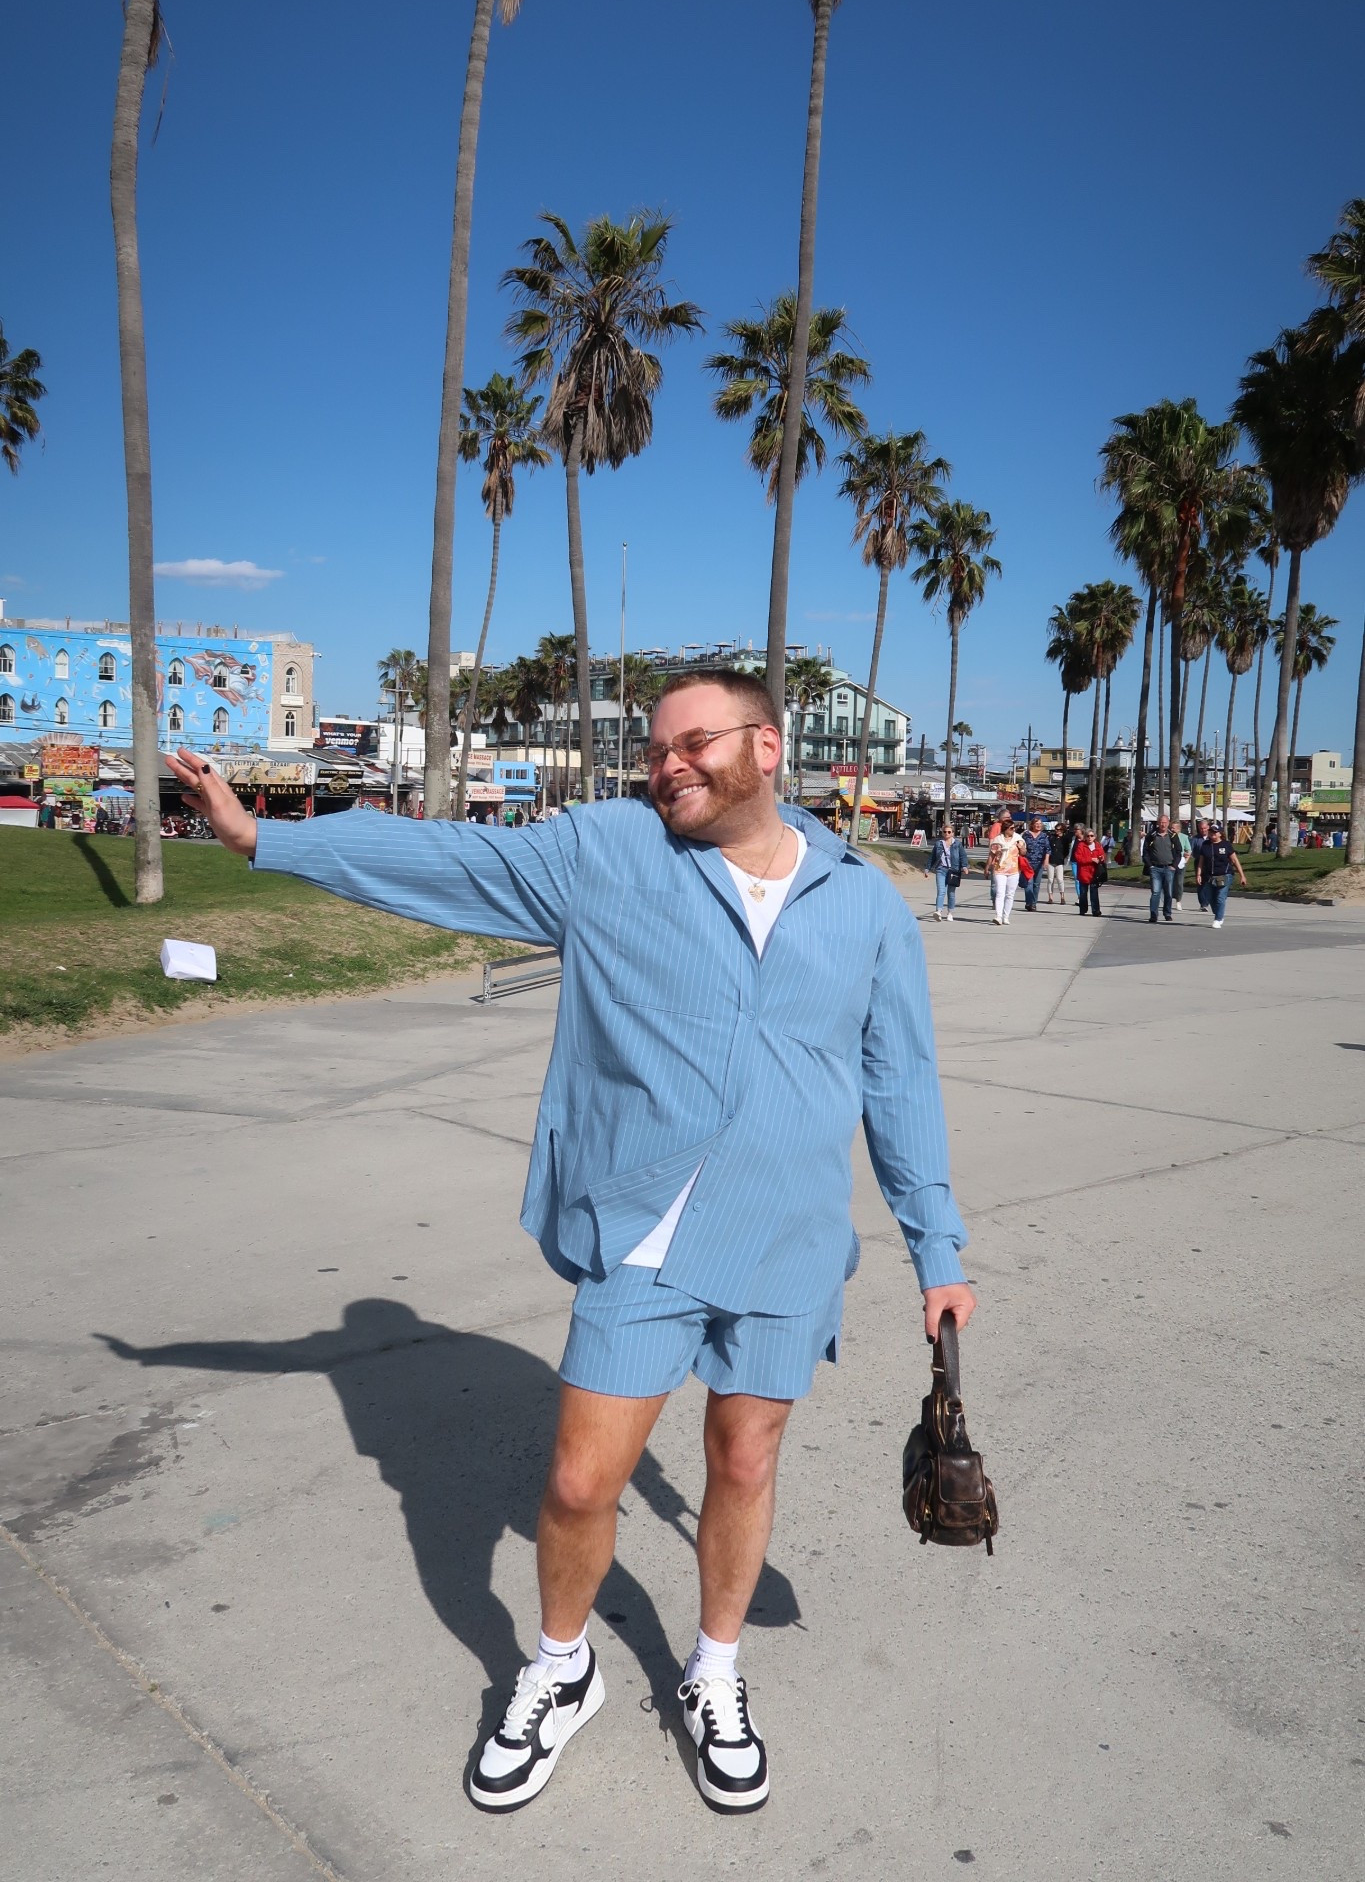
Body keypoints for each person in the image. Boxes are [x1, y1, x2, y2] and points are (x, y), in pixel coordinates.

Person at [164, 670, 975, 1818]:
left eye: (694, 743)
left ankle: (715, 1671)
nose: (669, 765)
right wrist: (266, 841)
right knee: (581, 1476)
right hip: (646, 1224)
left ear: (768, 747)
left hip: (788, 1232)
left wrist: (938, 1247)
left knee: (745, 1461)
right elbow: (451, 861)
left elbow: (901, 1082)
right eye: (656, 749)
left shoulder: (865, 899)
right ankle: (559, 1668)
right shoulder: (611, 851)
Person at [1197, 821, 1247, 928]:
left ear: (1220, 833)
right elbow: (1201, 861)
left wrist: (1242, 875)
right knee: (1210, 897)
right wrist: (1198, 874)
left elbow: (1234, 860)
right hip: (1209, 876)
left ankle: (1218, 919)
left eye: (1215, 832)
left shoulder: (1226, 845)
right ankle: (1219, 914)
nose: (1212, 834)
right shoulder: (1205, 845)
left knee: (1220, 897)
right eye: (1211, 832)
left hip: (1225, 875)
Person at [987, 815, 1025, 925]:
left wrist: (1021, 847)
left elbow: (1024, 853)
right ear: (1005, 829)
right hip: (1000, 870)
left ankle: (1006, 916)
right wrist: (987, 867)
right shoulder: (997, 840)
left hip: (1014, 870)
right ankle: (998, 916)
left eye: (1014, 828)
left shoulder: (1018, 838)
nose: (1013, 830)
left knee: (1010, 894)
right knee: (1000, 893)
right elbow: (991, 854)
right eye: (1011, 828)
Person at [1142, 815, 1179, 924]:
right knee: (1156, 892)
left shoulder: (1173, 836)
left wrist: (1174, 866)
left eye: (1165, 822)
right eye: (1161, 822)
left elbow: (1178, 851)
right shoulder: (1152, 835)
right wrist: (1150, 865)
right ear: (1158, 823)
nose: (1163, 825)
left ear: (1168, 823)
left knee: (1168, 892)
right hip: (1155, 868)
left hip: (1168, 868)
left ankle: (1167, 913)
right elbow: (1145, 852)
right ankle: (1153, 915)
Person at [931, 818, 964, 922]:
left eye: (949, 832)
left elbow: (963, 856)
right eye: (944, 832)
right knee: (941, 891)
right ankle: (938, 911)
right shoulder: (938, 844)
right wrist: (927, 869)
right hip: (941, 870)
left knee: (951, 893)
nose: (946, 833)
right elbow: (932, 857)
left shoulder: (957, 844)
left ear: (953, 833)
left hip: (954, 870)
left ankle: (950, 912)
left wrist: (964, 866)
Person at [1073, 824, 1104, 915]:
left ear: (1095, 837)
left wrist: (1101, 858)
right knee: (1083, 893)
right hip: (1084, 872)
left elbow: (1102, 855)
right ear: (1085, 837)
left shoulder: (1097, 845)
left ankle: (1095, 910)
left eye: (1092, 836)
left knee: (1094, 893)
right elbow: (1078, 858)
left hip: (1094, 873)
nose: (1090, 838)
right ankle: (1083, 909)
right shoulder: (1081, 845)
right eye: (1088, 836)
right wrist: (1091, 859)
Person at [1021, 816, 1050, 913]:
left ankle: (1033, 903)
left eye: (1040, 824)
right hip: (1027, 863)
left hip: (1039, 863)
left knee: (1036, 884)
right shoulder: (1026, 835)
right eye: (1036, 823)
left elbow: (1048, 849)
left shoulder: (1044, 836)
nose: (1038, 825)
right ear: (1032, 825)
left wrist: (1046, 860)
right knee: (1029, 884)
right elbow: (1021, 847)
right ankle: (1029, 903)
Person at [1045, 820, 1071, 903]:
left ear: (1062, 830)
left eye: (1059, 830)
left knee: (1060, 879)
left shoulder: (1065, 839)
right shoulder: (1051, 838)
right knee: (1050, 879)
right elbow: (1048, 848)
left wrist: (1063, 857)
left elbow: (1067, 850)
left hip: (1059, 861)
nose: (1057, 831)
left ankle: (1062, 896)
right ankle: (1050, 897)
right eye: (1056, 829)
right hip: (1051, 860)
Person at [1173, 821, 1192, 913]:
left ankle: (1178, 900)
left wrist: (1185, 861)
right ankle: (1169, 899)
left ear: (1179, 829)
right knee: (1169, 882)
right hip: (1170, 862)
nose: (1172, 830)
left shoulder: (1184, 837)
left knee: (1179, 882)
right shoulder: (1168, 836)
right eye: (1171, 828)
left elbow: (1188, 850)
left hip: (1180, 862)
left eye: (1174, 828)